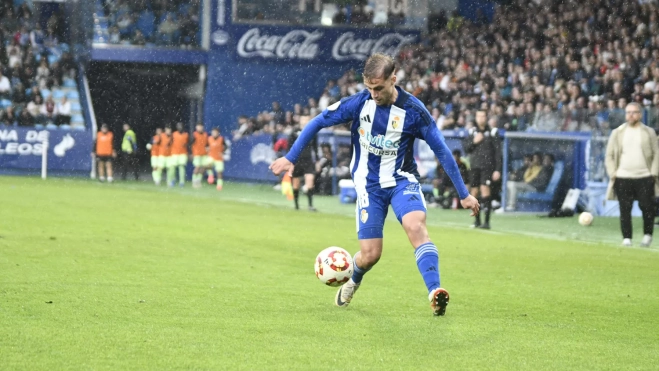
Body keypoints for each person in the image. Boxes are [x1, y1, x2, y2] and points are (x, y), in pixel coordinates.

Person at [269, 53, 479, 316]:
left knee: (416, 226)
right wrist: (291, 157)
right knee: (370, 255)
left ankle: (435, 292)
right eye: (369, 88)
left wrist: (463, 194)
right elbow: (319, 121)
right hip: (369, 186)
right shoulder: (359, 103)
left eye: (378, 88)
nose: (373, 94)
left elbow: (443, 151)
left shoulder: (414, 112)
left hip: (403, 181)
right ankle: (354, 278)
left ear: (394, 78)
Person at [605, 102, 659, 247]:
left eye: (634, 112)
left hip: (644, 176)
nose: (631, 115)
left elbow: (656, 154)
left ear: (640, 114)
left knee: (647, 207)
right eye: (628, 112)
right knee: (624, 208)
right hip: (623, 176)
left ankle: (647, 235)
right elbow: (609, 155)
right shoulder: (618, 132)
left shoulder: (649, 132)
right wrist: (613, 173)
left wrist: (653, 174)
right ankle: (627, 238)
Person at [462, 110, 502, 229]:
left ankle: (487, 222)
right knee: (474, 192)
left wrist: (497, 169)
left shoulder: (493, 132)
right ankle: (477, 220)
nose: (481, 118)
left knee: (485, 190)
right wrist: (474, 142)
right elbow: (466, 148)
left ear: (486, 117)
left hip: (487, 167)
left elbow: (498, 153)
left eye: (483, 116)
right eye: (479, 116)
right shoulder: (472, 132)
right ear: (476, 117)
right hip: (474, 166)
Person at [288, 119, 318, 211]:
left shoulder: (312, 131)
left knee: (310, 181)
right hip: (297, 160)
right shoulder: (294, 132)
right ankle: (296, 205)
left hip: (308, 160)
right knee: (296, 184)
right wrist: (290, 160)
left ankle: (310, 205)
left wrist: (317, 161)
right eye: (303, 119)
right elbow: (289, 146)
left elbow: (315, 147)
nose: (305, 121)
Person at [191, 123, 209, 189]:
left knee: (204, 167)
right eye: (198, 127)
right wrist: (191, 153)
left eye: (201, 127)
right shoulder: (194, 135)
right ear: (196, 127)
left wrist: (207, 148)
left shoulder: (205, 134)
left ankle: (198, 180)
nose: (200, 128)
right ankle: (194, 181)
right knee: (197, 167)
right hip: (197, 154)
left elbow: (207, 144)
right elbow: (191, 144)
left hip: (204, 153)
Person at [171, 122, 189, 187]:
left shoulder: (186, 135)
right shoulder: (173, 134)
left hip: (183, 153)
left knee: (182, 167)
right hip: (175, 153)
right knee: (173, 167)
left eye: (181, 126)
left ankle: (182, 182)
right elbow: (170, 143)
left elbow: (188, 144)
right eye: (178, 126)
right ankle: (173, 179)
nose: (179, 127)